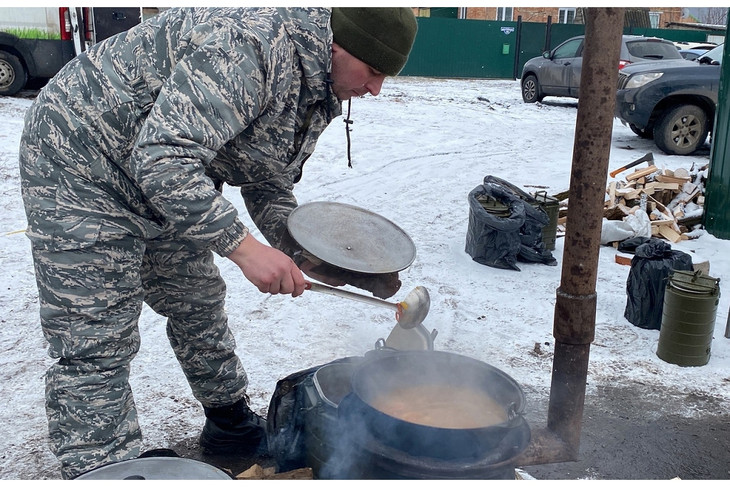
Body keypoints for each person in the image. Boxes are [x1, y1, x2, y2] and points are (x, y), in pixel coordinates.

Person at [18, 7, 417, 479]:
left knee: (197, 299)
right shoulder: (248, 47)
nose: (375, 89)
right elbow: (163, 157)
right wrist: (243, 248)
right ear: (337, 46)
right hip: (80, 162)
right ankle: (104, 469)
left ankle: (228, 422)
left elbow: (268, 180)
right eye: (373, 71)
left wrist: (306, 253)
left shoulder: (318, 86)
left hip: (167, 179)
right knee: (97, 335)